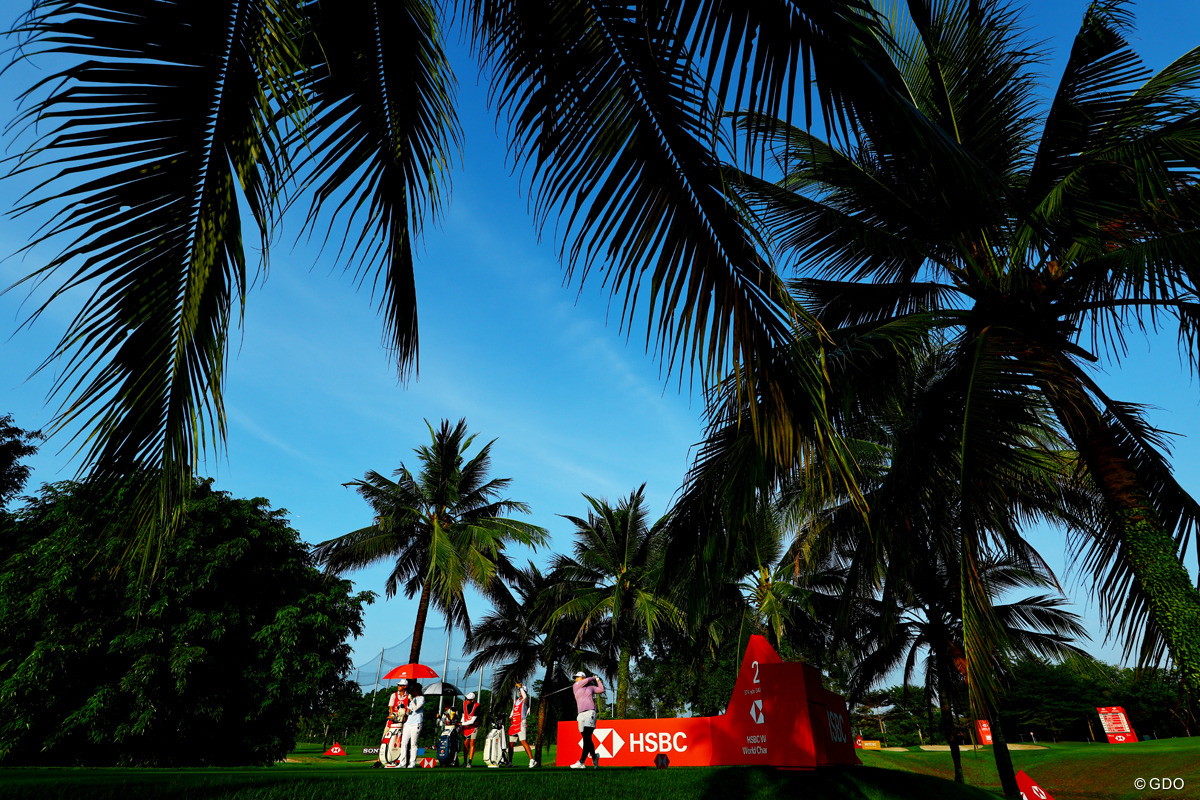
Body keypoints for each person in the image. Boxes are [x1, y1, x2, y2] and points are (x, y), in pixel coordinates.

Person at [570, 671, 606, 769]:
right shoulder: (576, 686)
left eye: (577, 677)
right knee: (587, 738)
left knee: (586, 737)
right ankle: (595, 756)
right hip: (580, 714)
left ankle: (581, 761)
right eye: (575, 677)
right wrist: (593, 678)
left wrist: (598, 680)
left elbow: (601, 689)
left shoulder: (591, 688)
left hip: (590, 713)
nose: (575, 679)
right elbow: (588, 680)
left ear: (582, 677)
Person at [508, 680, 536, 768]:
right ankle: (510, 762)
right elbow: (514, 709)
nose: (520, 692)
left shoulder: (526, 700)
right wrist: (510, 716)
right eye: (519, 691)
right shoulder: (517, 700)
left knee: (523, 741)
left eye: (521, 691)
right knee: (511, 744)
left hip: (521, 723)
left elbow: (524, 696)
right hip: (514, 723)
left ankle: (532, 760)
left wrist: (520, 687)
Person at [399, 681, 425, 768]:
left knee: (413, 744)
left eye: (414, 690)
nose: (412, 692)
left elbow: (416, 708)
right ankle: (402, 762)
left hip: (416, 723)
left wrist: (411, 700)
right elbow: (409, 711)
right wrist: (404, 710)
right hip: (408, 723)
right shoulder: (412, 699)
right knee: (404, 743)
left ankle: (412, 763)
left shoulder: (421, 698)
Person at [461, 691, 481, 767]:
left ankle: (470, 762)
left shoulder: (477, 706)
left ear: (472, 700)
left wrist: (462, 724)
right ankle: (464, 762)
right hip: (466, 726)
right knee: (465, 744)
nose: (466, 700)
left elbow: (473, 721)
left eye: (468, 699)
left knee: (472, 743)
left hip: (474, 726)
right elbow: (463, 716)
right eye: (466, 699)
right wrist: (461, 725)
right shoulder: (464, 704)